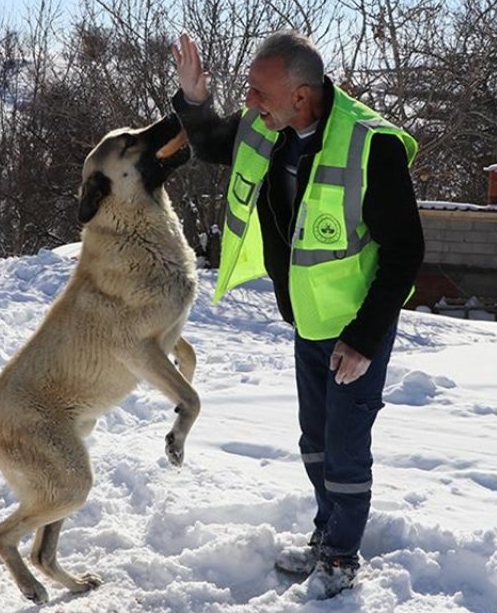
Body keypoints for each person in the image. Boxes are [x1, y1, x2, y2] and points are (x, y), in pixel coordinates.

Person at [170, 30, 424, 599]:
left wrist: (362, 338)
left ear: (302, 95)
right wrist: (192, 99)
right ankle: (324, 534)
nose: (250, 102)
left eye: (259, 92)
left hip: (358, 326)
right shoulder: (269, 128)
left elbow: (406, 251)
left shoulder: (368, 145)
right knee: (314, 438)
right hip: (307, 317)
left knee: (345, 442)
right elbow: (213, 142)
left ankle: (340, 557)